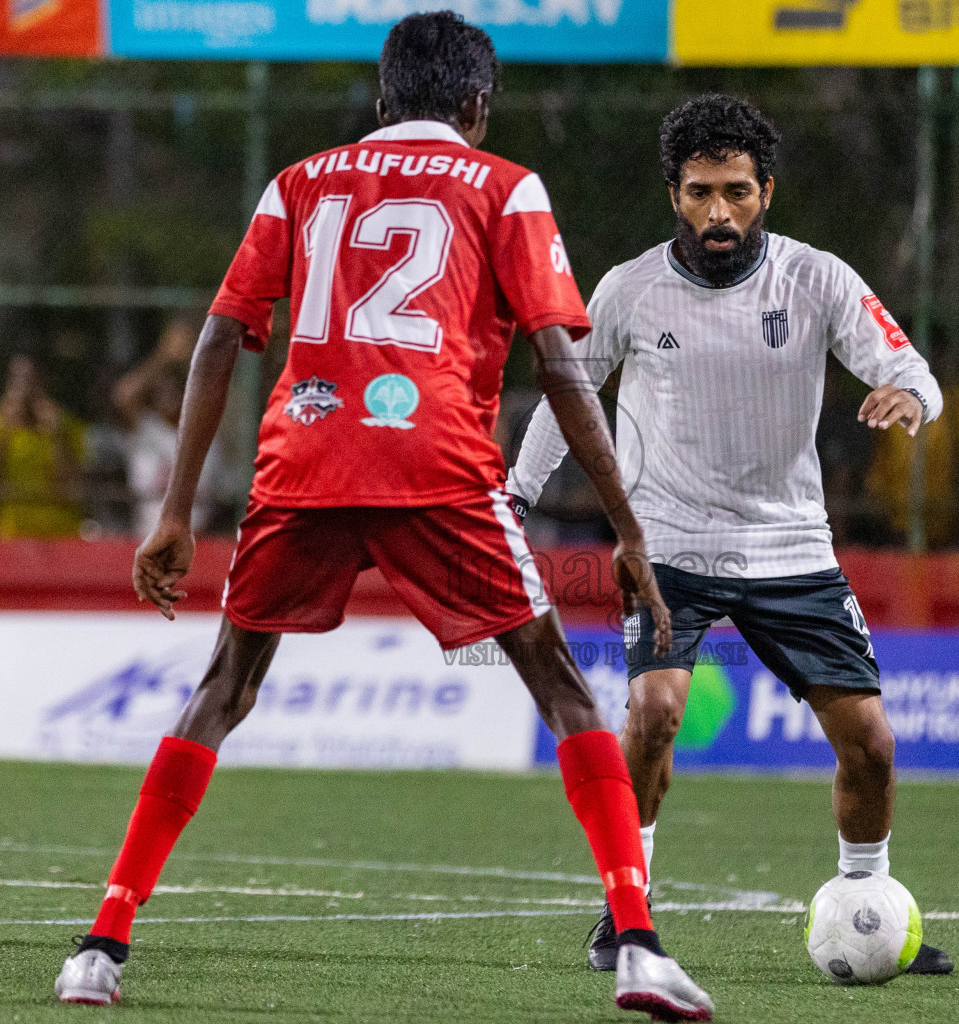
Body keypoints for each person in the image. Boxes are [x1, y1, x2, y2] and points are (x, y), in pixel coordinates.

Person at [54, 14, 713, 1022]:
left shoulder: (298, 182)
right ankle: (636, 943)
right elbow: (561, 366)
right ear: (477, 106)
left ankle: (100, 945)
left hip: (302, 457)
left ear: (380, 101)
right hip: (434, 462)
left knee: (224, 687)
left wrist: (178, 512)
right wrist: (625, 525)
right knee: (563, 688)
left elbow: (222, 337)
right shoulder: (505, 185)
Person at [505, 94, 951, 975]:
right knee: (654, 713)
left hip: (792, 546)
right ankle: (624, 908)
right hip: (670, 542)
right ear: (674, 194)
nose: (720, 212)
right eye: (702, 192)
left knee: (871, 744)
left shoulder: (816, 278)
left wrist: (913, 397)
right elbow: (569, 387)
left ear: (767, 191)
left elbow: (910, 366)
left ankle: (867, 900)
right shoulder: (629, 288)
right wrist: (514, 493)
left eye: (738, 192)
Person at [114, 320, 225, 539]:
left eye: (177, 385)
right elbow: (123, 396)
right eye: (163, 386)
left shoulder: (206, 430)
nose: (170, 392)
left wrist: (198, 358)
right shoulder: (146, 428)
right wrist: (165, 356)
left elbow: (227, 400)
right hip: (147, 539)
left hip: (200, 543)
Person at [0, 354, 86, 539]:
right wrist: (3, 436)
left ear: (43, 382)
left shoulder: (66, 424)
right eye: (18, 381)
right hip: (12, 538)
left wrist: (57, 437)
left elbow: (73, 486)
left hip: (61, 538)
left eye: (31, 381)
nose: (25, 389)